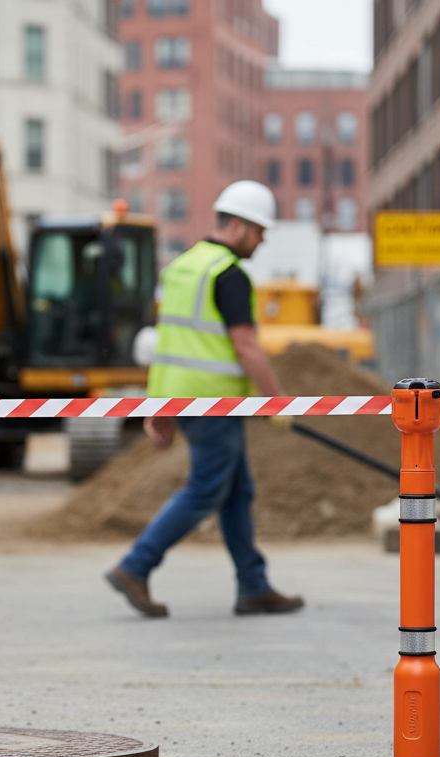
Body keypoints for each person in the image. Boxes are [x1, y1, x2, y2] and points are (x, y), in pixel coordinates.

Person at [106, 180, 303, 619]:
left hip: (186, 398)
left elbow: (166, 343)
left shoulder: (181, 268)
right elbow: (246, 346)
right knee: (206, 489)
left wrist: (159, 405)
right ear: (237, 227)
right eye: (259, 230)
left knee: (236, 491)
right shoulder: (228, 274)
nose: (262, 239)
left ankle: (253, 585)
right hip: (214, 403)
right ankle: (135, 566)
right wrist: (276, 401)